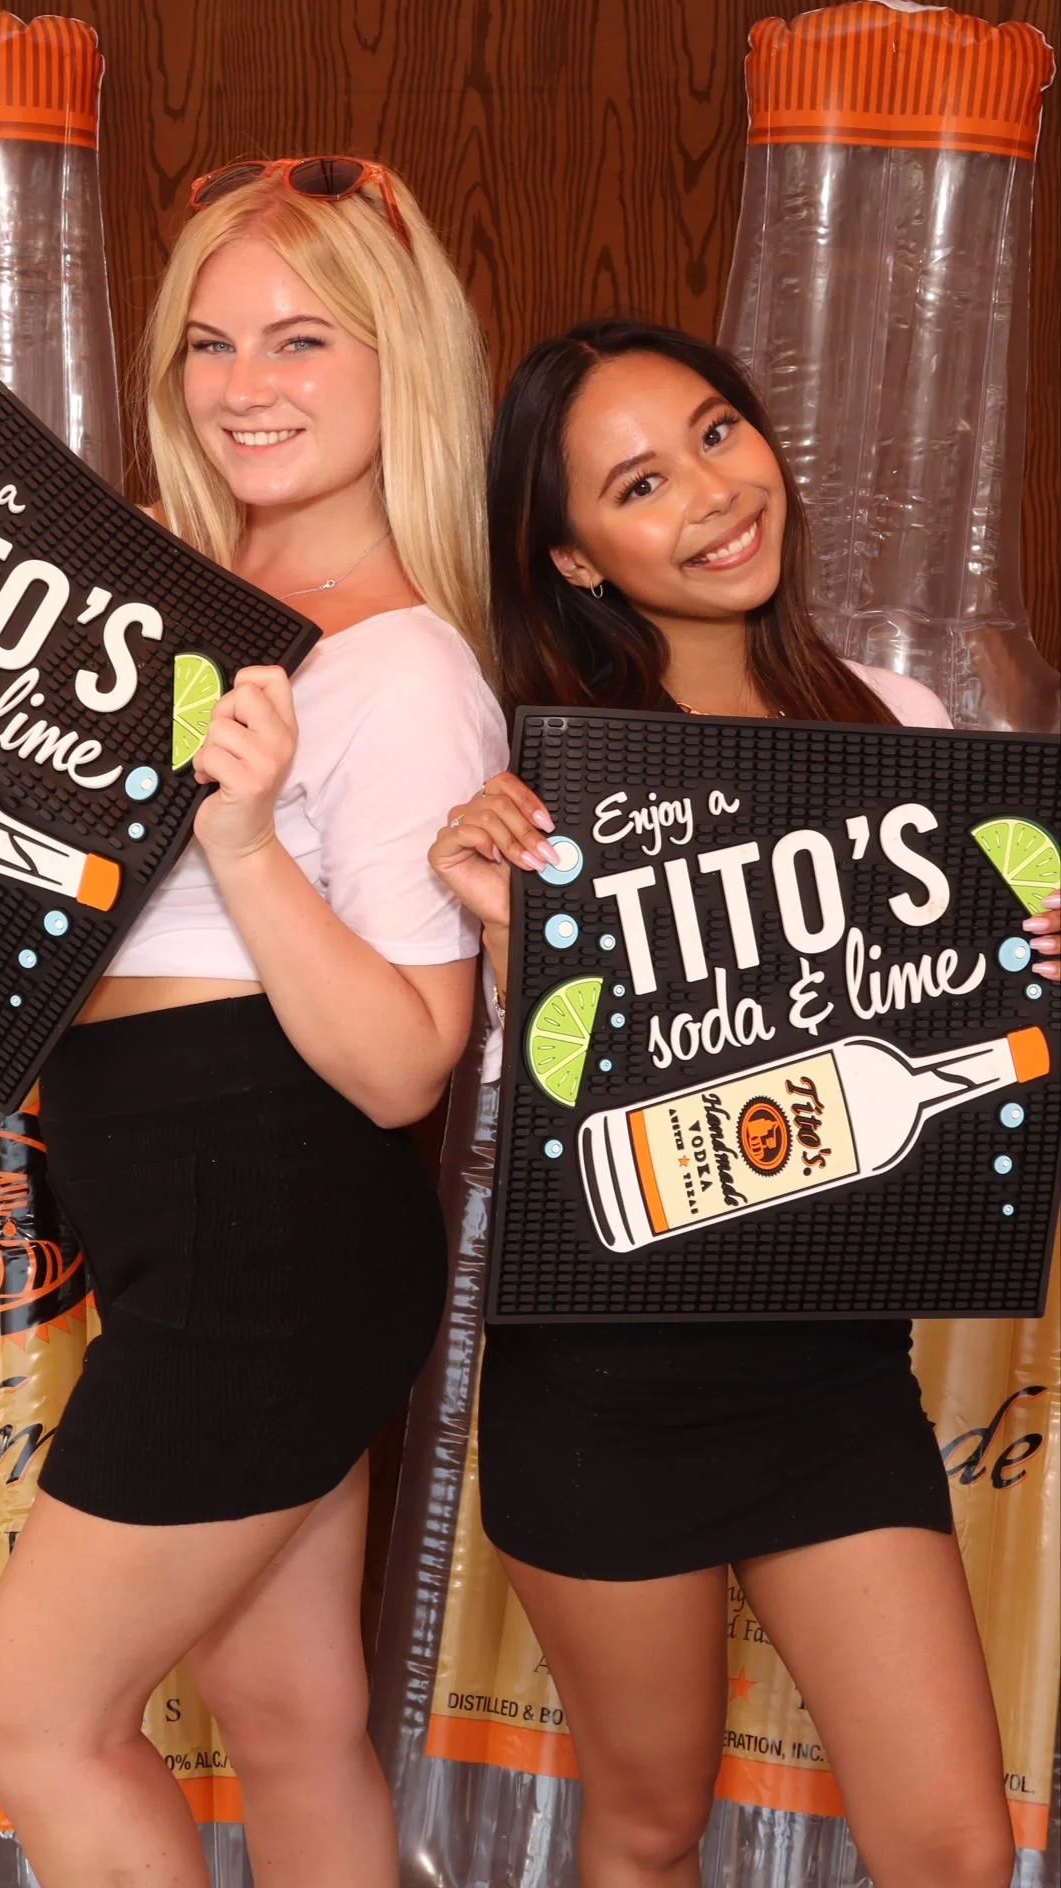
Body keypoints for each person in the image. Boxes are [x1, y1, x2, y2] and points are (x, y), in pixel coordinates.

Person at [0, 156, 507, 1888]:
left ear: (402, 363)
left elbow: (404, 1063)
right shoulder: (163, 602)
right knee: (293, 1722)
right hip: (201, 1221)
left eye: (305, 341)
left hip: (272, 1234)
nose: (249, 388)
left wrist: (239, 841)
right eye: (210, 345)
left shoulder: (398, 671)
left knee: (32, 1716)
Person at [429, 318, 1060, 1888]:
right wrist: (510, 930)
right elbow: (527, 1113)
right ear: (573, 558)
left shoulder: (900, 726)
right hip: (605, 1388)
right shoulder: (541, 788)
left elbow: (984, 1056)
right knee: (646, 1827)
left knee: (956, 1850)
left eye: (718, 433)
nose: (713, 495)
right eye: (640, 482)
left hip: (832, 1378)